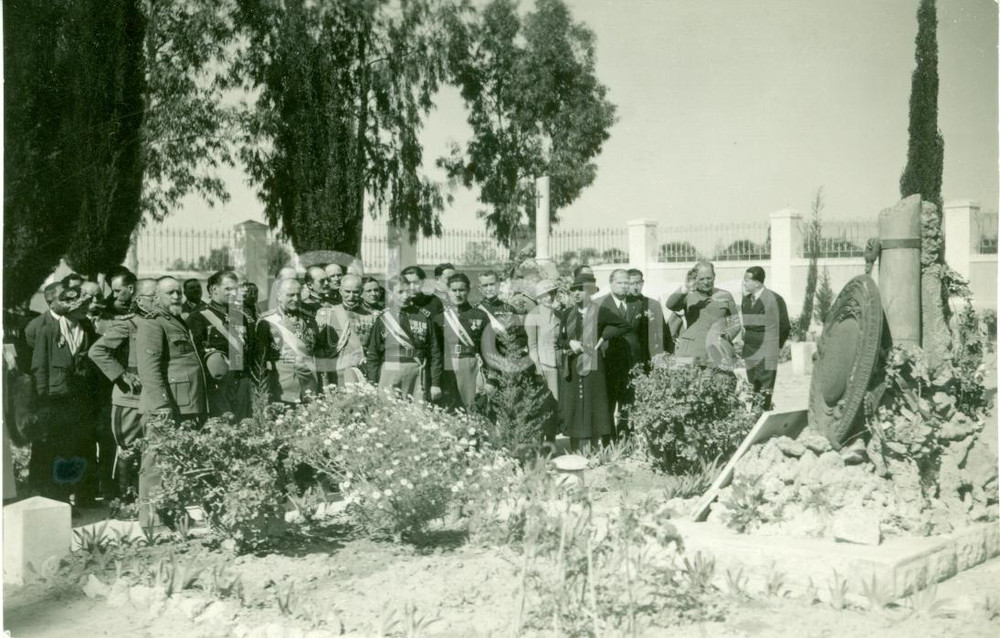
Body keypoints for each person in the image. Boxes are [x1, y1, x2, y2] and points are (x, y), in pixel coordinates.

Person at [29, 283, 100, 506]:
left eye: (84, 305)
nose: (83, 309)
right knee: (56, 450)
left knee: (76, 448)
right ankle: (57, 499)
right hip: (55, 400)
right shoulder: (48, 330)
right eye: (78, 305)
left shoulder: (85, 328)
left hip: (79, 401)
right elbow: (39, 368)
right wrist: (41, 403)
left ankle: (78, 495)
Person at [88, 273, 152, 503]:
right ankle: (127, 501)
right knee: (130, 448)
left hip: (152, 395)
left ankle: (145, 500)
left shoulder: (158, 321)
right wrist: (121, 374)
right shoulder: (129, 323)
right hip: (130, 396)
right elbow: (97, 351)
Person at [186, 270, 255, 420]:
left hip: (241, 383)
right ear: (213, 290)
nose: (233, 293)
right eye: (228, 289)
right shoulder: (198, 317)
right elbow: (196, 358)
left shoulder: (239, 316)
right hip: (217, 388)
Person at [556, 273, 613, 454]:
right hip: (573, 365)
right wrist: (569, 343)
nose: (577, 293)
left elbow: (621, 326)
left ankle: (594, 451)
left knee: (593, 405)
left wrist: (604, 337)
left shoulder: (600, 311)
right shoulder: (567, 313)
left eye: (581, 289)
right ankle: (577, 451)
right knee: (575, 407)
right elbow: (561, 340)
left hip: (594, 364)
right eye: (574, 290)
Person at [366, 276, 442, 402]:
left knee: (418, 415)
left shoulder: (423, 317)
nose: (405, 296)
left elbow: (434, 352)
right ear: (391, 293)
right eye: (400, 292)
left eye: (408, 292)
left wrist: (435, 383)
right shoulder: (383, 319)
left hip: (416, 370)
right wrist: (372, 383)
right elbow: (373, 354)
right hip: (390, 369)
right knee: (387, 412)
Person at [257, 278, 319, 404]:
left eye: (298, 294)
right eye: (290, 295)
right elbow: (260, 360)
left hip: (309, 385)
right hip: (283, 390)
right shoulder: (267, 321)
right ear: (279, 296)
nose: (295, 299)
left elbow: (316, 351)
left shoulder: (310, 319)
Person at [598, 269, 643, 440]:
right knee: (608, 404)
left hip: (631, 363)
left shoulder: (637, 304)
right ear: (610, 283)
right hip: (608, 363)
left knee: (628, 404)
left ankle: (626, 441)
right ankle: (609, 442)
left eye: (627, 283)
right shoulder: (600, 304)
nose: (624, 286)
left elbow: (641, 335)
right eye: (620, 282)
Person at [666, 261, 741, 364]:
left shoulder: (725, 295)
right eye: (701, 279)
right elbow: (670, 304)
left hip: (718, 351)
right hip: (691, 351)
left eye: (709, 278)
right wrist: (686, 287)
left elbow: (736, 323)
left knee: (720, 378)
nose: (706, 282)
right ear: (695, 279)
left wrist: (726, 337)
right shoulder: (688, 295)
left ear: (714, 276)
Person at [435, 272, 488, 411]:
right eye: (454, 290)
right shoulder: (439, 318)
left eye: (462, 290)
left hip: (470, 365)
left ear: (468, 290)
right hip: (447, 366)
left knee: (472, 407)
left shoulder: (480, 316)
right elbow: (435, 351)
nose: (458, 294)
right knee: (448, 408)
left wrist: (490, 378)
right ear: (448, 291)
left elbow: (487, 350)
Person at [315, 274, 379, 386]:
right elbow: (319, 350)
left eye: (355, 292)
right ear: (340, 291)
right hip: (336, 375)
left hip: (362, 375)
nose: (351, 296)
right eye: (347, 292)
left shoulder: (371, 317)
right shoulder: (327, 314)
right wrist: (324, 381)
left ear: (361, 292)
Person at [741, 266, 790, 410]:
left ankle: (762, 417)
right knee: (753, 387)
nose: (744, 283)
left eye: (747, 280)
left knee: (765, 389)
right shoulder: (746, 300)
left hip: (767, 350)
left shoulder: (774, 299)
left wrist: (774, 347)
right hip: (750, 350)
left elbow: (784, 326)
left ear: (757, 282)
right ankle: (756, 419)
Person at [626, 268, 674, 363]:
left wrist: (667, 352)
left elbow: (662, 331)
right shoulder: (623, 304)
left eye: (638, 283)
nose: (636, 287)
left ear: (643, 283)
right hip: (628, 353)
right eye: (631, 284)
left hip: (648, 353)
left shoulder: (653, 304)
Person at [524, 279, 562, 400]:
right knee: (551, 401)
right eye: (545, 295)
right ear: (539, 297)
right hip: (545, 365)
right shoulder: (532, 316)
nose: (549, 298)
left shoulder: (560, 315)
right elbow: (532, 346)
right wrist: (538, 368)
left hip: (561, 364)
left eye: (551, 293)